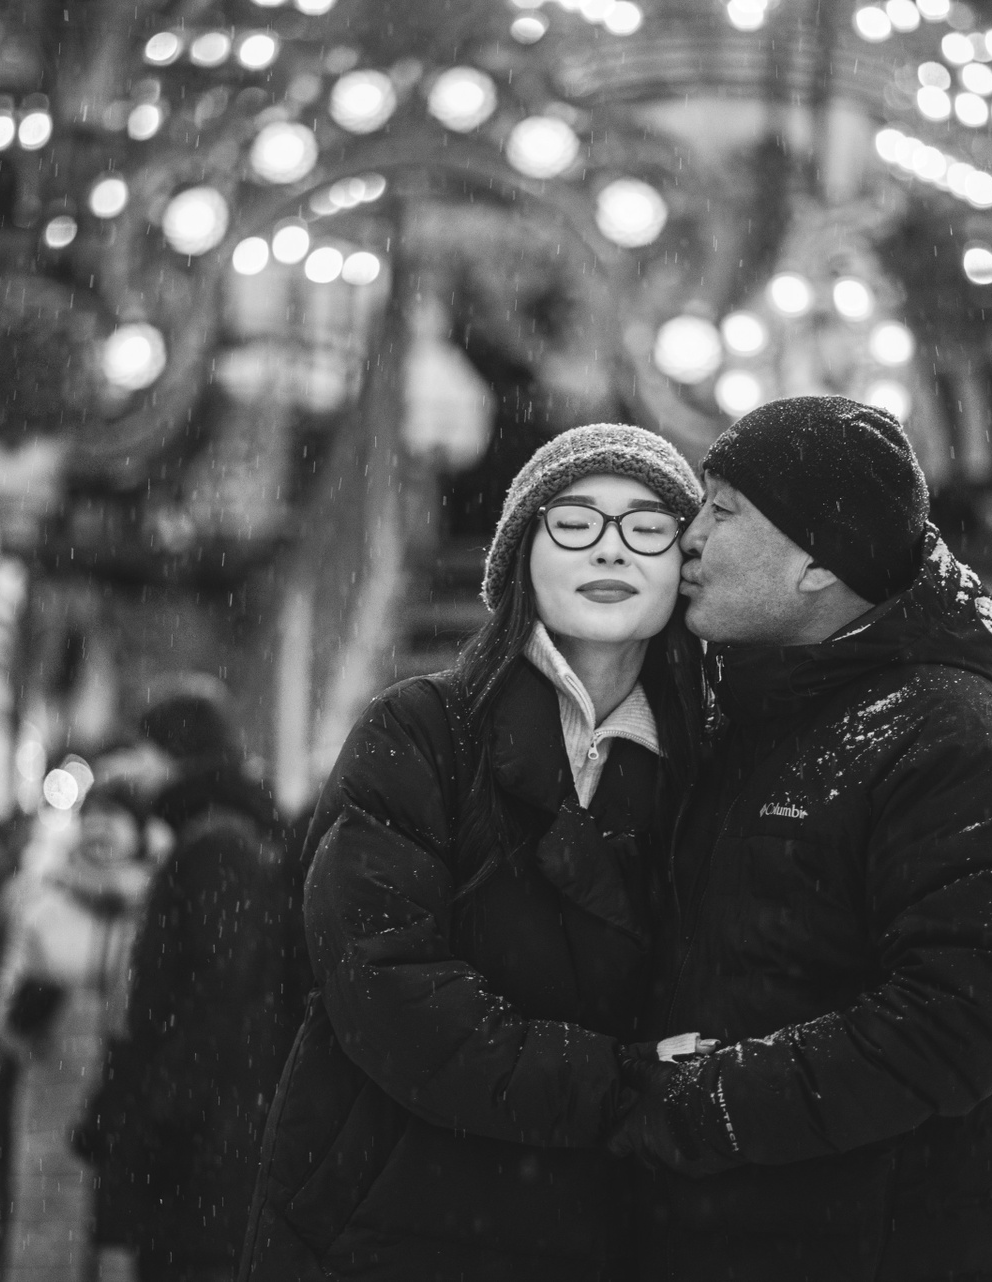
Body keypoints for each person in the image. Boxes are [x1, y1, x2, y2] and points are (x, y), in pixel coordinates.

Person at [242, 424, 708, 1281]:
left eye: (649, 527)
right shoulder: (419, 730)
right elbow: (388, 989)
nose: (611, 548)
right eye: (575, 522)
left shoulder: (706, 767)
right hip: (391, 1217)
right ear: (520, 557)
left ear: (687, 563)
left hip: (607, 1223)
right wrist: (623, 1083)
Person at [611, 396, 992, 1281]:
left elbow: (954, 1025)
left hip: (880, 1246)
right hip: (737, 1237)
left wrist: (702, 1103)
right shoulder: (756, 713)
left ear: (819, 560)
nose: (689, 537)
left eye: (723, 512)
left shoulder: (953, 737)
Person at [90, 680, 292, 1282]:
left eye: (142, 751)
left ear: (173, 753)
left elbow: (219, 995)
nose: (134, 770)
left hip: (202, 1148)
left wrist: (161, 1109)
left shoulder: (216, 845)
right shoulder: (221, 835)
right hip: (209, 1136)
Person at [0, 778, 152, 1282]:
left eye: (116, 817)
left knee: (120, 1237)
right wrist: (28, 1010)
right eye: (93, 816)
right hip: (53, 1099)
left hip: (131, 1100)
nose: (101, 829)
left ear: (140, 834)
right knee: (46, 1230)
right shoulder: (43, 908)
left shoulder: (154, 914)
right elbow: (3, 1016)